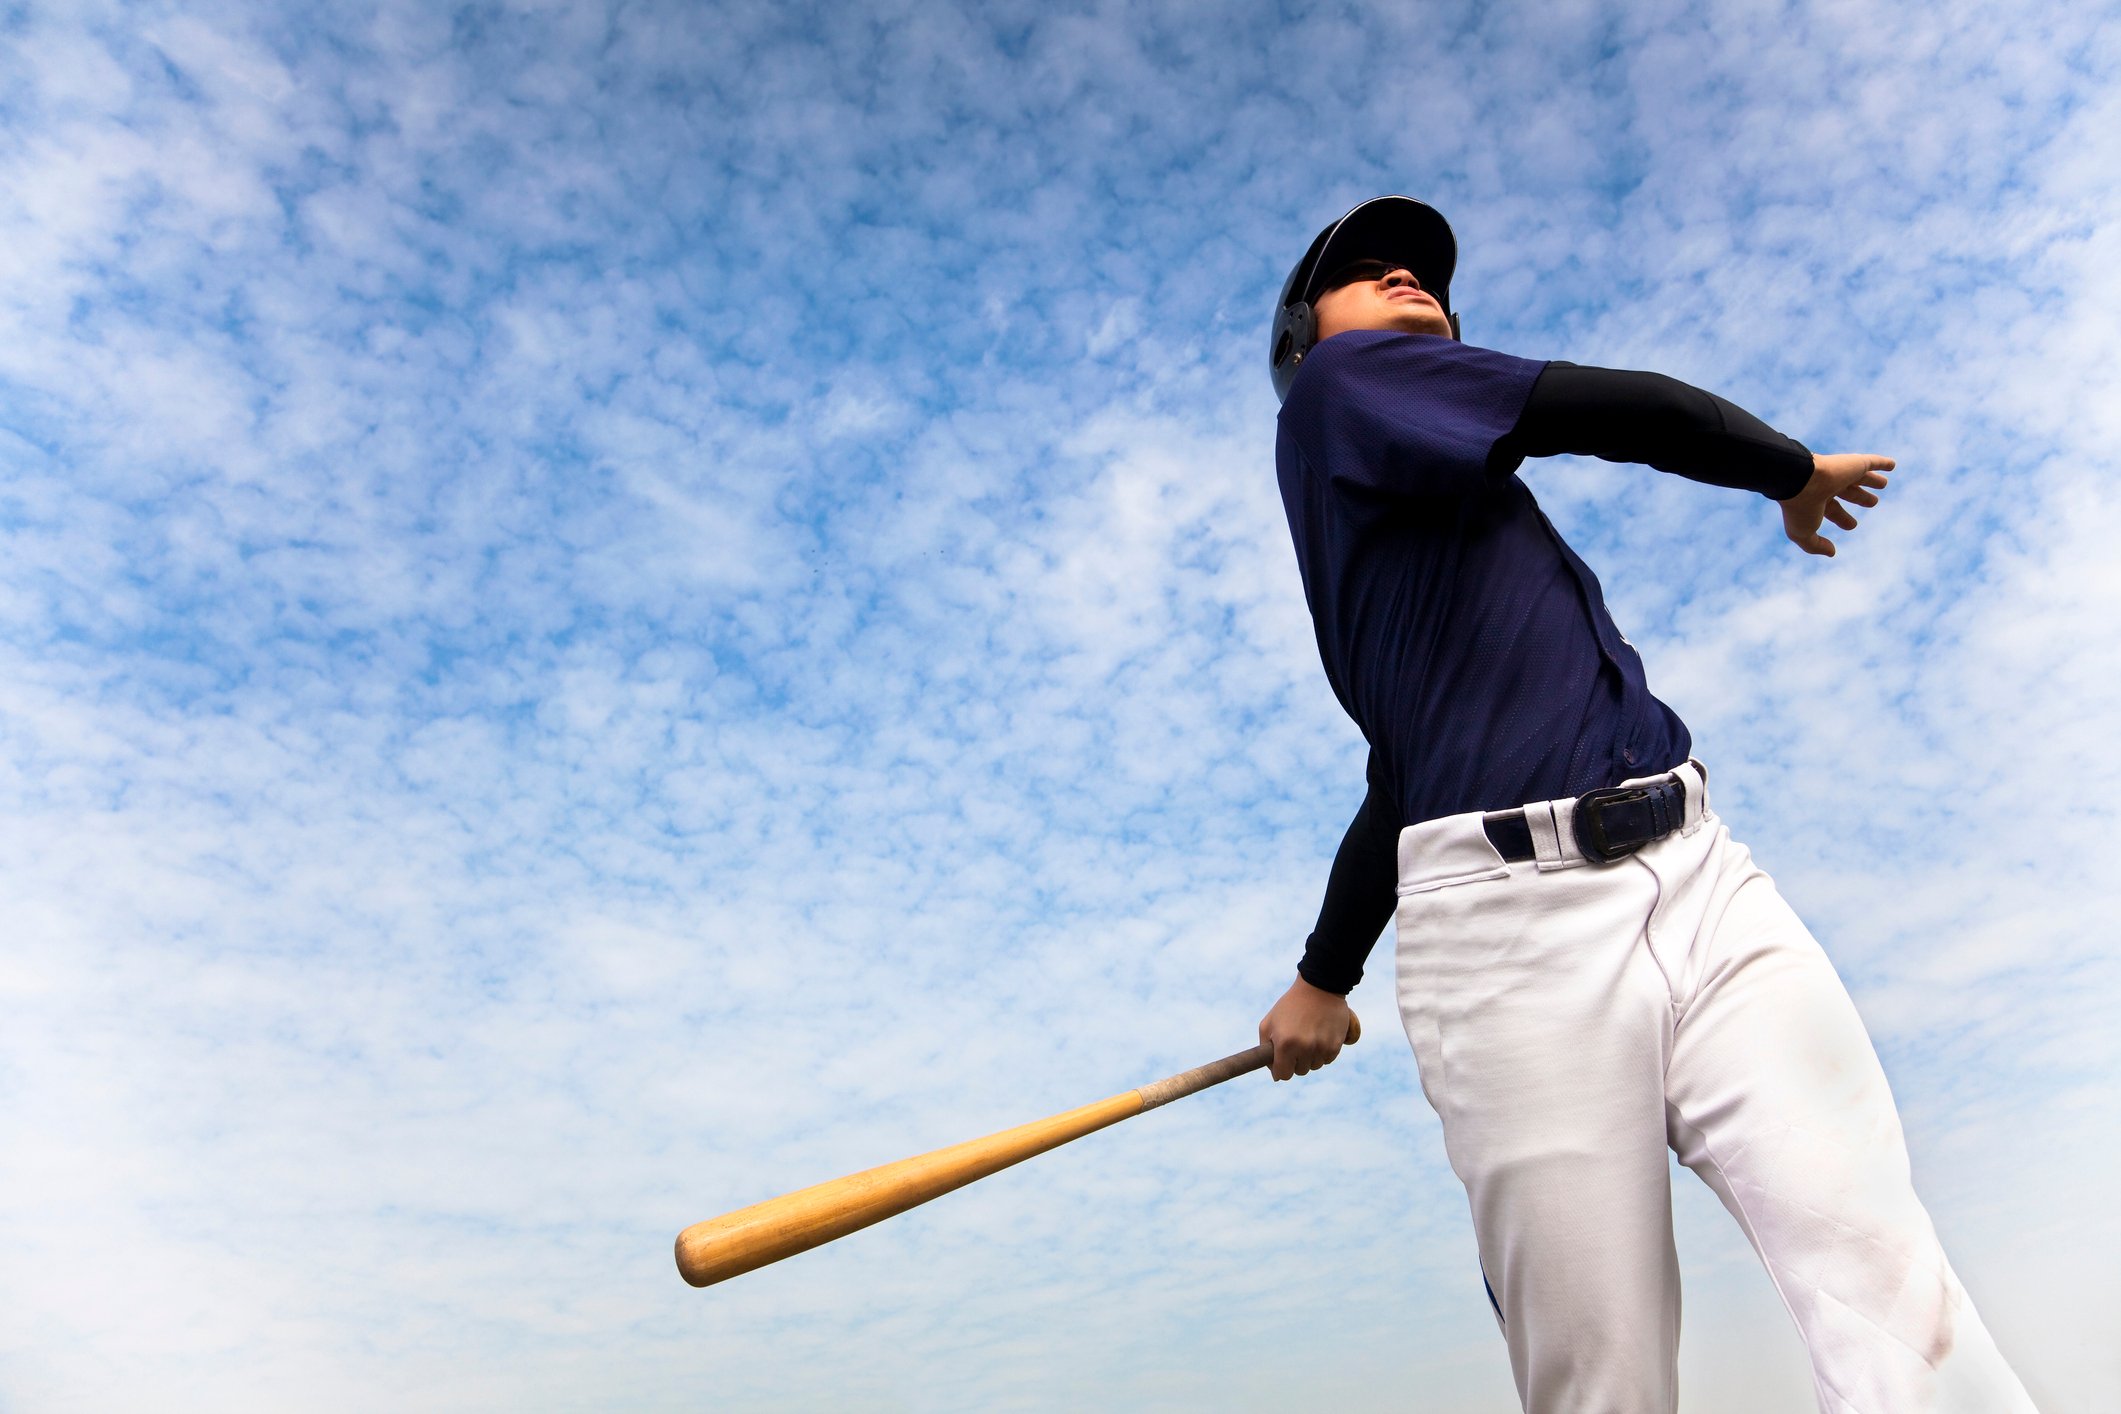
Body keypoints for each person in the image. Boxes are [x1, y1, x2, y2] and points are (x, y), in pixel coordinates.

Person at [1254, 196, 2036, 1413]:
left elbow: (1397, 770)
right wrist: (1790, 469)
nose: (1406, 272)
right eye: (1362, 272)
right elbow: (1613, 407)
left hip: (1704, 876)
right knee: (1602, 1384)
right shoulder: (1337, 392)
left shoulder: (1425, 519)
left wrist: (1324, 975)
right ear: (1309, 338)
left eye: (1420, 272)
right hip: (1514, 940)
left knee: (1895, 1292)